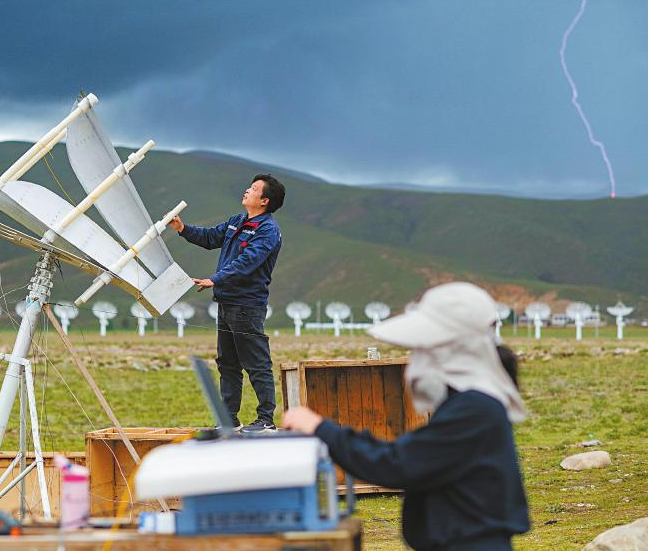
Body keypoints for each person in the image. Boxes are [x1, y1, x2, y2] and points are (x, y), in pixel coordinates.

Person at [283, 282, 531, 550]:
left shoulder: (475, 408)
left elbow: (397, 464)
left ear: (448, 348)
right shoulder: (474, 402)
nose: (417, 359)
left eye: (423, 349)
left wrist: (321, 428)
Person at [168, 174, 285, 433]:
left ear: (264, 201)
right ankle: (228, 420)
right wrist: (182, 228)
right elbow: (210, 237)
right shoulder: (237, 221)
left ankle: (266, 420)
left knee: (256, 362)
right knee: (228, 363)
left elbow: (247, 262)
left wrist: (215, 279)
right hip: (227, 302)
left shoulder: (267, 230)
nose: (247, 190)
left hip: (247, 305)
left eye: (253, 189)